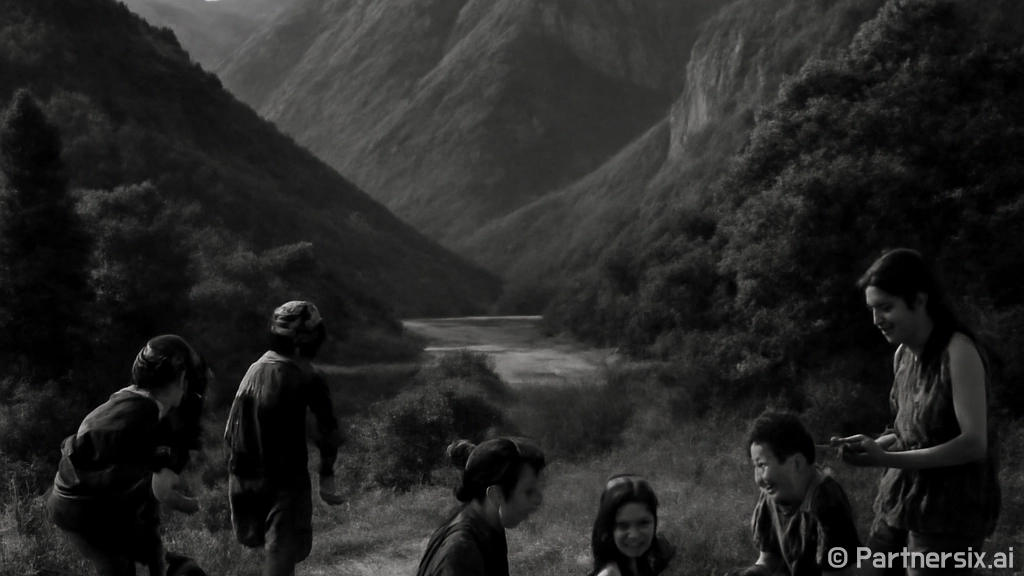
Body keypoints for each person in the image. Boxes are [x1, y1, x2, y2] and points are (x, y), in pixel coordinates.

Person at [836, 248, 1000, 575]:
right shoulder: (903, 356)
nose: (876, 320)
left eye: (886, 308)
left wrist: (888, 459)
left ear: (920, 300)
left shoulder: (958, 351)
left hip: (948, 513)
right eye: (872, 309)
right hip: (902, 500)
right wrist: (872, 447)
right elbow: (907, 432)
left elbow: (973, 444)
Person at [45, 335, 207, 576]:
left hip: (69, 501)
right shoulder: (149, 418)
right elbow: (159, 491)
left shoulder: (126, 397)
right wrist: (191, 502)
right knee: (129, 566)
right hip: (86, 508)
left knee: (133, 560)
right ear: (182, 378)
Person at [224, 301, 343, 576]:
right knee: (280, 554)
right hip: (284, 481)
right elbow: (327, 430)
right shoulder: (306, 375)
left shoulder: (254, 369)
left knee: (267, 552)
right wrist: (327, 476)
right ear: (307, 338)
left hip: (241, 478)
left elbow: (231, 429)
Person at [726, 411, 859, 576]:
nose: (758, 479)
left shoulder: (827, 504)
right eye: (755, 466)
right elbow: (769, 561)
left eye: (762, 465)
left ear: (797, 463)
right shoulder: (773, 494)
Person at [416, 437, 546, 576]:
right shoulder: (461, 552)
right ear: (496, 494)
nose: (539, 499)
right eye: (529, 491)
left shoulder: (489, 526)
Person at [589, 474, 675, 576]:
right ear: (608, 528)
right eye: (623, 525)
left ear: (655, 521)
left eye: (643, 523)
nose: (634, 535)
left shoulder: (649, 560)